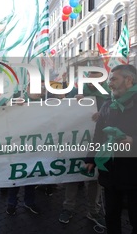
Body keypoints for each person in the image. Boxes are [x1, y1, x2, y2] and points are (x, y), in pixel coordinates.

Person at [84, 64, 137, 234]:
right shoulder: (107, 105)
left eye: (113, 79)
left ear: (129, 80)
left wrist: (133, 141)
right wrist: (91, 159)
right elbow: (98, 136)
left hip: (134, 173)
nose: (109, 83)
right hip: (110, 173)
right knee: (111, 216)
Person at [59, 71, 110, 227]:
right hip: (76, 143)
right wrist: (74, 104)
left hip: (98, 144)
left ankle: (94, 211)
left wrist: (103, 115)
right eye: (89, 78)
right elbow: (62, 113)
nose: (91, 82)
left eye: (96, 78)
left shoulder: (109, 95)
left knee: (95, 179)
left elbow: (117, 116)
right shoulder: (76, 91)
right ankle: (68, 208)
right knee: (73, 175)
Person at [6, 82, 44, 216]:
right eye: (34, 88)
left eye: (40, 89)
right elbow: (3, 110)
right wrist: (14, 105)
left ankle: (29, 201)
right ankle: (12, 203)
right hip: (18, 146)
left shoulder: (46, 104)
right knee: (15, 175)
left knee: (31, 176)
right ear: (27, 89)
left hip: (35, 147)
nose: (38, 91)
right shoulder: (18, 100)